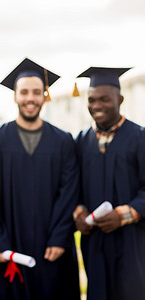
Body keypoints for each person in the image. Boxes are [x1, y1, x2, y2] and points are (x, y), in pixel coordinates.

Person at [0, 58, 80, 300]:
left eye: (37, 92)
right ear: (15, 96)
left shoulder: (63, 141)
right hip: (10, 248)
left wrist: (59, 238)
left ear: (45, 96)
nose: (30, 98)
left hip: (52, 247)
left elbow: (69, 193)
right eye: (24, 92)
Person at [73, 67, 145, 300]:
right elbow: (74, 187)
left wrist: (124, 215)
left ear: (120, 99)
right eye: (91, 100)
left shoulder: (139, 137)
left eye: (104, 99)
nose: (97, 106)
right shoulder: (81, 141)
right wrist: (79, 212)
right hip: (94, 241)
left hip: (131, 241)